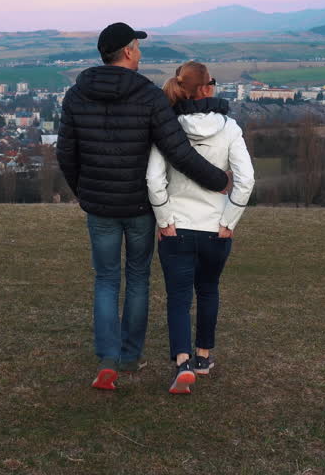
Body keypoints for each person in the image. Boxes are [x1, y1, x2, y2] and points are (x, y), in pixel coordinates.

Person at [57, 23, 231, 392]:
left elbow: (66, 154)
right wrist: (218, 181)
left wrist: (83, 192)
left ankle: (107, 360)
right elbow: (178, 152)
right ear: (129, 51)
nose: (140, 51)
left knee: (105, 279)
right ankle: (130, 355)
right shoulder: (148, 96)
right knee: (137, 278)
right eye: (137, 46)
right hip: (138, 205)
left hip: (99, 205)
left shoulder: (76, 95)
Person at [147, 60, 254, 394]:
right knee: (208, 290)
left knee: (178, 297)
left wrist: (164, 220)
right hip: (215, 229)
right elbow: (246, 180)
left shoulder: (168, 127)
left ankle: (183, 363)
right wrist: (229, 220)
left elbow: (153, 179)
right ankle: (204, 357)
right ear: (207, 88)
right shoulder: (230, 128)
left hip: (176, 228)